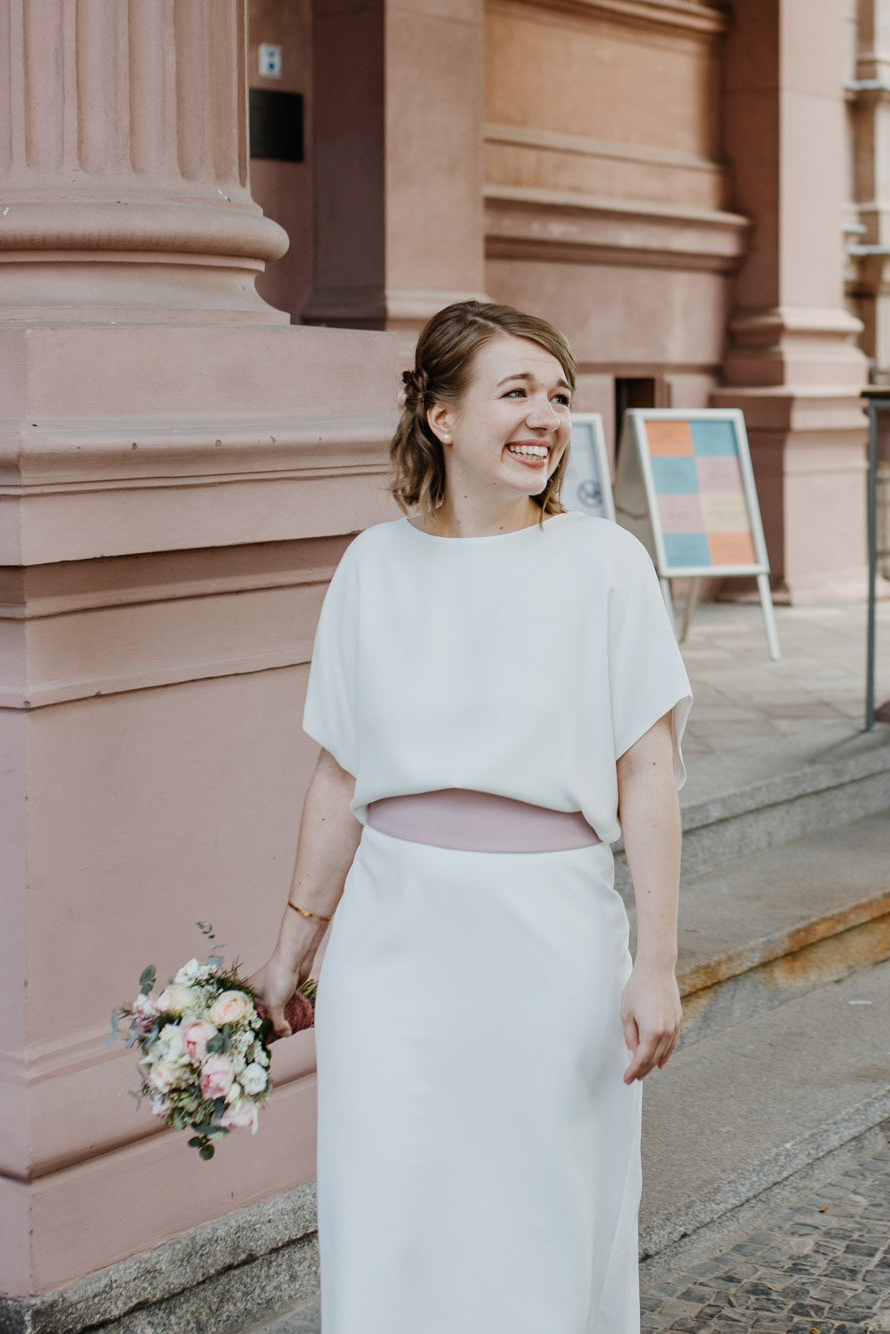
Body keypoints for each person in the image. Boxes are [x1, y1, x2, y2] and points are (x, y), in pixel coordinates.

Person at [249, 301, 692, 1333]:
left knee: (539, 1221)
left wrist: (658, 963)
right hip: (391, 947)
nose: (546, 417)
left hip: (550, 944)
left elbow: (647, 773)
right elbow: (339, 775)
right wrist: (290, 952)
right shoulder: (371, 565)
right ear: (441, 416)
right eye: (516, 391)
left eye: (559, 395)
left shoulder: (605, 563)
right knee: (388, 1216)